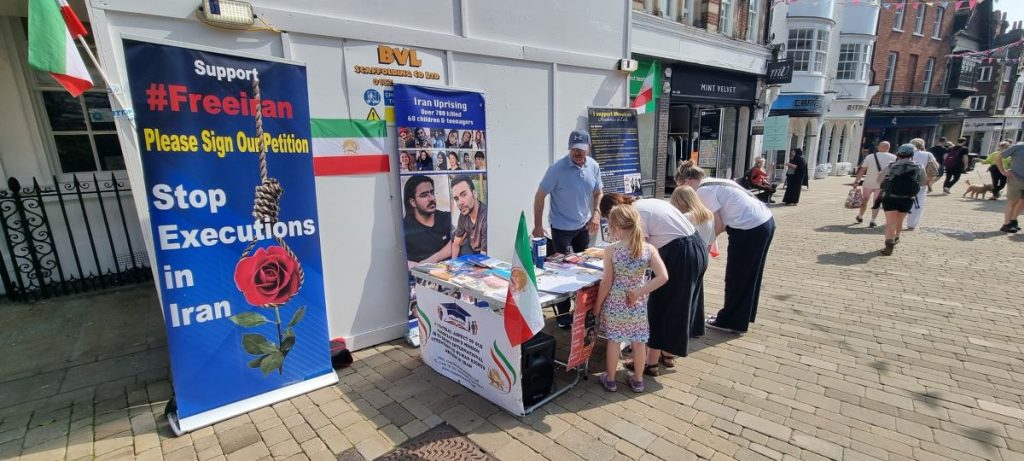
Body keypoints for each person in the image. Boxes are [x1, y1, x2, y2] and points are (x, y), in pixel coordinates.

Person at [599, 192, 708, 374]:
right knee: (677, 305)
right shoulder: (645, 202)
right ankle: (667, 353)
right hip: (695, 247)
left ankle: (651, 363)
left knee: (659, 306)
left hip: (679, 253)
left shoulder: (636, 214)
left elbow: (635, 253)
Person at [676, 161, 774, 334]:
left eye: (681, 188)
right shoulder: (712, 182)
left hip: (749, 228)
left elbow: (717, 225)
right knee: (751, 274)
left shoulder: (702, 192)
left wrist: (702, 248)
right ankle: (743, 315)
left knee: (737, 275)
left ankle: (731, 321)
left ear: (688, 182)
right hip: (764, 221)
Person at [593, 205, 668, 393]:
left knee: (614, 340)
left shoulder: (612, 250)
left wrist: (597, 306)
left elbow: (606, 283)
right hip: (637, 303)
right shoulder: (648, 249)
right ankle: (638, 380)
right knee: (639, 341)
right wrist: (640, 291)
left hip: (615, 302)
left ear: (615, 226)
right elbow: (663, 277)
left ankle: (610, 380)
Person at [534, 129, 603, 328]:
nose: (577, 154)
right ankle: (564, 315)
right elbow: (540, 196)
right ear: (569, 148)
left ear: (588, 149)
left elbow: (598, 192)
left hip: (583, 226)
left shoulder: (594, 167)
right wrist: (538, 225)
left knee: (584, 268)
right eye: (574, 150)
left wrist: (596, 212)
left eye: (581, 150)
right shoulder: (557, 169)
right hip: (561, 228)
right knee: (560, 269)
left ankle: (582, 309)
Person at [879, 144, 926, 255]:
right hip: (907, 198)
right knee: (899, 221)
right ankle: (896, 237)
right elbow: (923, 182)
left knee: (890, 223)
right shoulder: (919, 167)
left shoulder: (891, 166)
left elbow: (879, 180)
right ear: (912, 154)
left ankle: (888, 245)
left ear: (898, 154)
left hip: (890, 197)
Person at [402, 176, 452, 268]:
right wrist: (418, 267)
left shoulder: (446, 218)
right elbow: (397, 260)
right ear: (413, 202)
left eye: (432, 193)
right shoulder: (404, 228)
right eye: (424, 195)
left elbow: (459, 239)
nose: (431, 198)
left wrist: (434, 259)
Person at [852, 141, 897, 228]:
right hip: (882, 184)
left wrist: (856, 181)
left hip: (869, 182)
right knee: (876, 202)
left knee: (865, 200)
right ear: (888, 148)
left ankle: (860, 216)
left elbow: (862, 170)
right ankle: (873, 220)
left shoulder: (870, 157)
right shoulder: (893, 158)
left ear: (878, 147)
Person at [451, 176, 487, 257]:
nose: (460, 202)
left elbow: (484, 258)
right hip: (472, 251)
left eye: (463, 195)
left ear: (474, 194)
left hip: (485, 257)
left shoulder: (486, 217)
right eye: (456, 198)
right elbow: (456, 244)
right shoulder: (464, 215)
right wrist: (453, 265)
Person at [907, 138, 938, 231]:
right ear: (922, 145)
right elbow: (936, 167)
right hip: (922, 180)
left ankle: (898, 219)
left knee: (904, 199)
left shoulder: (907, 153)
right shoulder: (928, 154)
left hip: (906, 180)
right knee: (918, 202)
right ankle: (911, 224)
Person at [994, 142, 1024, 233]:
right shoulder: (1018, 147)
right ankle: (1006, 224)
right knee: (1013, 201)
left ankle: (1013, 221)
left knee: (1022, 201)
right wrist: (1003, 171)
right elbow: (998, 157)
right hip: (1016, 179)